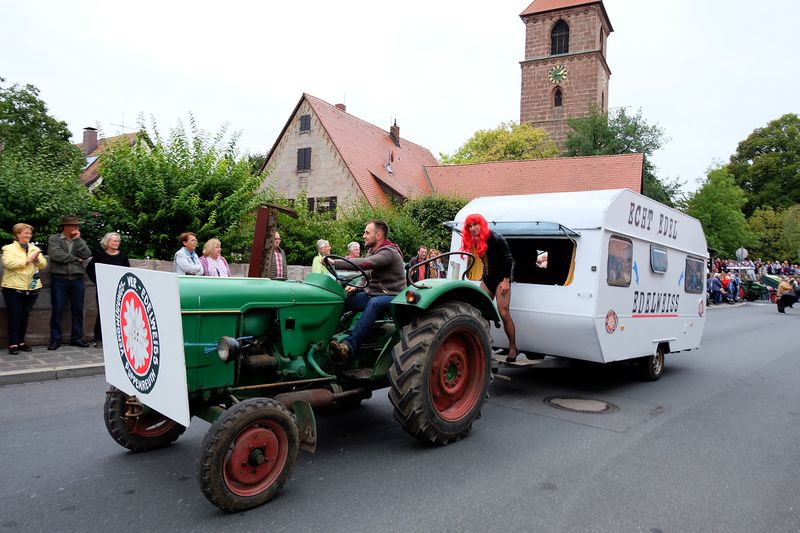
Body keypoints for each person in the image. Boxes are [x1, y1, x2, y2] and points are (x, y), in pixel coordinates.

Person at [328, 220, 406, 360]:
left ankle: (349, 346)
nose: (363, 235)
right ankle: (327, 337)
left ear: (378, 235)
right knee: (343, 298)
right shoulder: (373, 251)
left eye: (367, 232)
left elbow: (366, 264)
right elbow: (367, 275)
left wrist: (336, 262)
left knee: (375, 304)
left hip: (392, 296)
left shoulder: (389, 252)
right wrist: (356, 287)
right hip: (373, 294)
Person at [461, 213, 519, 362]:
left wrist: (506, 281)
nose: (473, 228)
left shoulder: (496, 238)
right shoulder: (476, 240)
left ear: (482, 224)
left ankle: (513, 347)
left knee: (504, 313)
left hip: (501, 278)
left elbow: (508, 259)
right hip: (488, 279)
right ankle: (482, 345)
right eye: (470, 226)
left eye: (475, 224)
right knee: (479, 311)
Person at [47, 214, 92, 350]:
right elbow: (56, 255)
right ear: (66, 227)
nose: (77, 227)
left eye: (77, 225)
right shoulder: (54, 239)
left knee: (78, 310)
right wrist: (75, 259)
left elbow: (87, 254)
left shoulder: (79, 240)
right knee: (58, 310)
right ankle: (55, 340)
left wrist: (79, 240)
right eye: (74, 225)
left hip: (77, 279)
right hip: (59, 279)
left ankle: (76, 338)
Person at [2, 223, 47, 354]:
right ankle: (13, 344)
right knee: (14, 316)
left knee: (24, 316)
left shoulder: (34, 248)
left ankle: (21, 341)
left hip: (32, 287)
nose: (28, 235)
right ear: (17, 234)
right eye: (25, 233)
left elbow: (44, 264)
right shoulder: (8, 249)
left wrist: (38, 260)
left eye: (29, 233)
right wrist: (28, 260)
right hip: (13, 287)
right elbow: (8, 264)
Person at [86, 232, 131, 346]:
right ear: (107, 242)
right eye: (114, 241)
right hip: (104, 289)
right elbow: (89, 269)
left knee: (121, 313)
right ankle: (99, 339)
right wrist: (98, 282)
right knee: (103, 313)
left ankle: (119, 338)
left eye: (118, 241)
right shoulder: (100, 255)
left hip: (119, 289)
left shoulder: (122, 256)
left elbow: (128, 272)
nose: (117, 243)